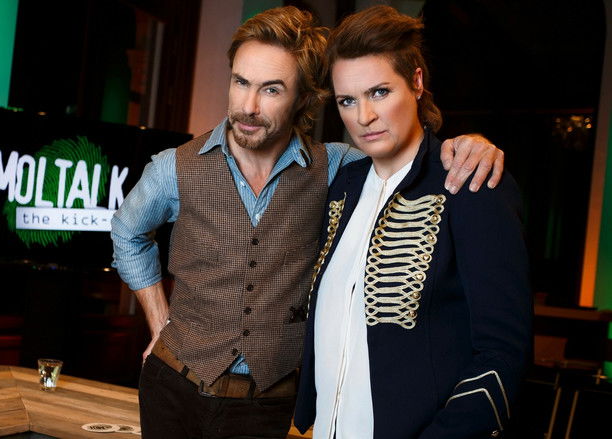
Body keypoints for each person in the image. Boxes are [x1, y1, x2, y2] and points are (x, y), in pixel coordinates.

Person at [111, 6, 504, 438]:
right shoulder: (174, 167)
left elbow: (404, 156)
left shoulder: (339, 169)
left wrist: (470, 145)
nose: (248, 106)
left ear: (304, 98)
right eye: (240, 82)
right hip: (172, 387)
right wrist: (160, 320)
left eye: (271, 89)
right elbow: (127, 233)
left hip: (269, 404)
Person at [293, 6, 532, 438]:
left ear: (417, 82)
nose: (363, 117)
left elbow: (502, 355)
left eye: (380, 92)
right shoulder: (343, 185)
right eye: (348, 100)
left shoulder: (471, 184)